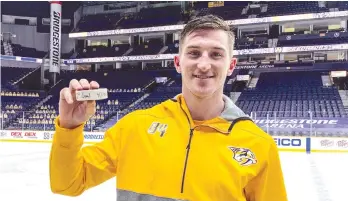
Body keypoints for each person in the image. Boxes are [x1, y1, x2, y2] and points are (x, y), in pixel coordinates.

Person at [50, 15, 288, 201]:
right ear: (177, 62)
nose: (204, 64)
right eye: (194, 53)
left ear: (231, 65)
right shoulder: (135, 127)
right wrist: (70, 128)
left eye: (216, 54)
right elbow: (67, 184)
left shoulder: (259, 146)